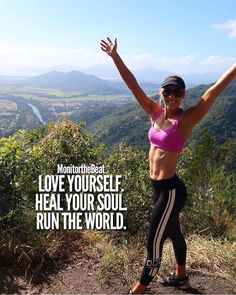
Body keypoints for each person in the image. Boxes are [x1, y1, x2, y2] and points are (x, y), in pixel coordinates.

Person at [100, 37, 236, 294]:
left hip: (171, 190)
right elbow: (133, 86)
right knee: (173, 231)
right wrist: (116, 57)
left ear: (183, 95)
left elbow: (215, 89)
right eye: (167, 91)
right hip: (158, 188)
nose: (172, 96)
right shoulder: (155, 112)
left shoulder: (186, 120)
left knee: (154, 240)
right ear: (161, 94)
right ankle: (181, 277)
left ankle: (137, 290)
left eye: (177, 92)